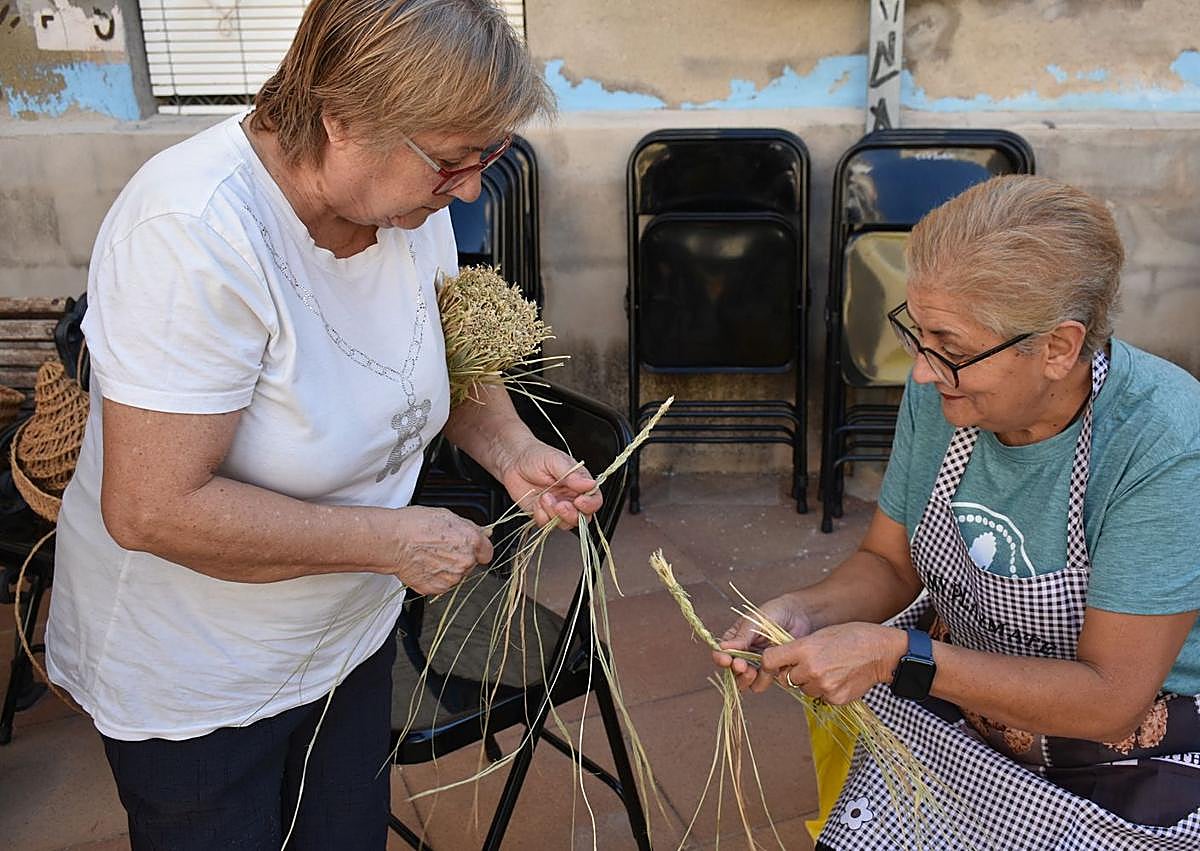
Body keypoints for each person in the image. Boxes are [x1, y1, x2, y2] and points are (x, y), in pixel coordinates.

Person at [44, 2, 596, 848]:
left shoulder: (410, 207)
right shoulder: (196, 230)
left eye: (486, 157)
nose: (472, 187)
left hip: (346, 635)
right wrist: (392, 542)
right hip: (203, 681)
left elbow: (440, 353)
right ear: (343, 119)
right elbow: (153, 508)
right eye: (450, 162)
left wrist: (513, 448)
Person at [715, 175, 1200, 849]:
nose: (920, 370)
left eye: (953, 347)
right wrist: (805, 611)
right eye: (918, 332)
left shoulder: (1163, 440)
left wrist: (898, 654)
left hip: (1120, 750)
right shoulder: (948, 394)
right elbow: (889, 559)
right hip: (960, 699)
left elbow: (1110, 697)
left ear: (1059, 347)